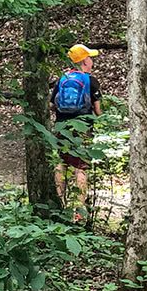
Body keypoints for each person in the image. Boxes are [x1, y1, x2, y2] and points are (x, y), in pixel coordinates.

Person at [51, 43, 103, 207]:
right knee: (81, 167)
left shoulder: (62, 79)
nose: (92, 62)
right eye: (90, 58)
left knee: (61, 163)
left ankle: (60, 204)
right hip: (83, 128)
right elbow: (97, 111)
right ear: (85, 61)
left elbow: (52, 104)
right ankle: (78, 211)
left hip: (62, 127)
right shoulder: (91, 81)